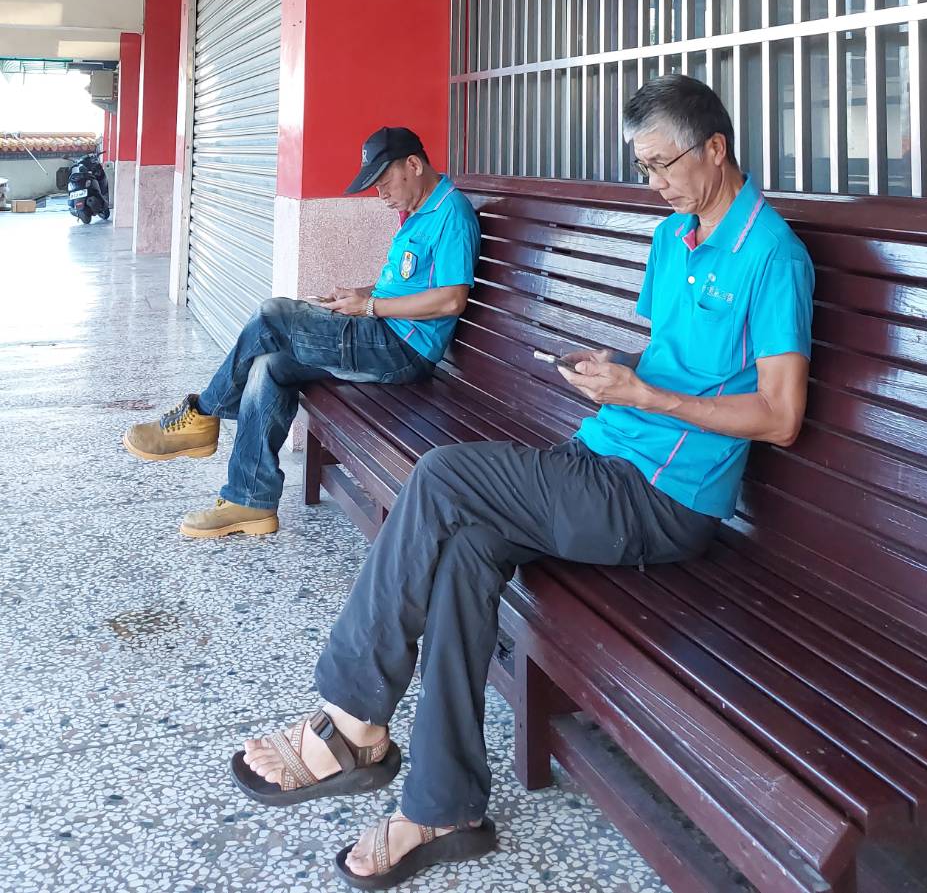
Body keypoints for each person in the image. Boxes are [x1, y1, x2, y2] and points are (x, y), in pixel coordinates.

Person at [232, 75, 814, 887]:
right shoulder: (674, 236)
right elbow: (676, 360)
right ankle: (443, 806)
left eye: (663, 163)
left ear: (715, 147)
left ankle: (352, 716)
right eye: (643, 166)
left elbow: (781, 415)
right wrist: (617, 371)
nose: (654, 183)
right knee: (467, 549)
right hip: (602, 456)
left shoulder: (773, 255)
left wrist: (645, 396)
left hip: (664, 498)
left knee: (442, 476)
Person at [122, 127, 480, 540]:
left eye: (383, 182)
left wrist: (370, 307)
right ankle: (249, 500)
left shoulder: (451, 214)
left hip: (402, 350)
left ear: (413, 165)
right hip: (381, 332)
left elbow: (451, 300)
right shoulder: (418, 211)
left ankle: (203, 414)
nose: (380, 194)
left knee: (272, 314)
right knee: (270, 365)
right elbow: (410, 285)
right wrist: (361, 295)